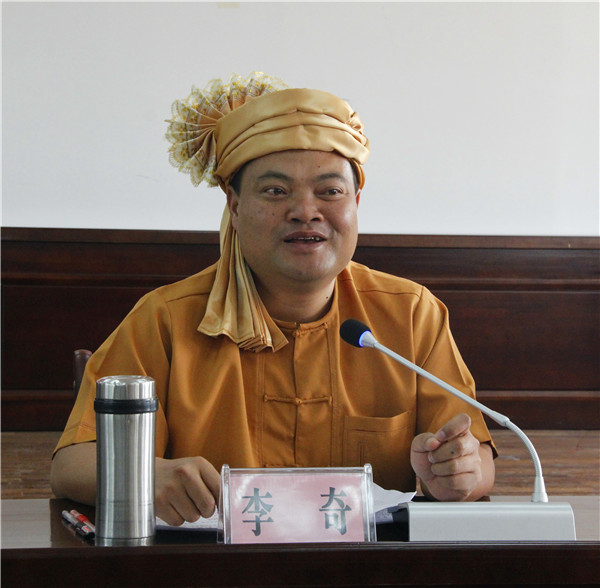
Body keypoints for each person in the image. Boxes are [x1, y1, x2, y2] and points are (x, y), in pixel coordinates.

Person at [51, 72, 495, 526]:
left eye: (330, 191)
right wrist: (144, 476)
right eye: (275, 191)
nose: (305, 211)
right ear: (235, 206)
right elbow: (71, 464)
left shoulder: (410, 313)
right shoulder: (165, 320)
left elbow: (475, 459)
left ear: (356, 202)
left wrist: (457, 474)